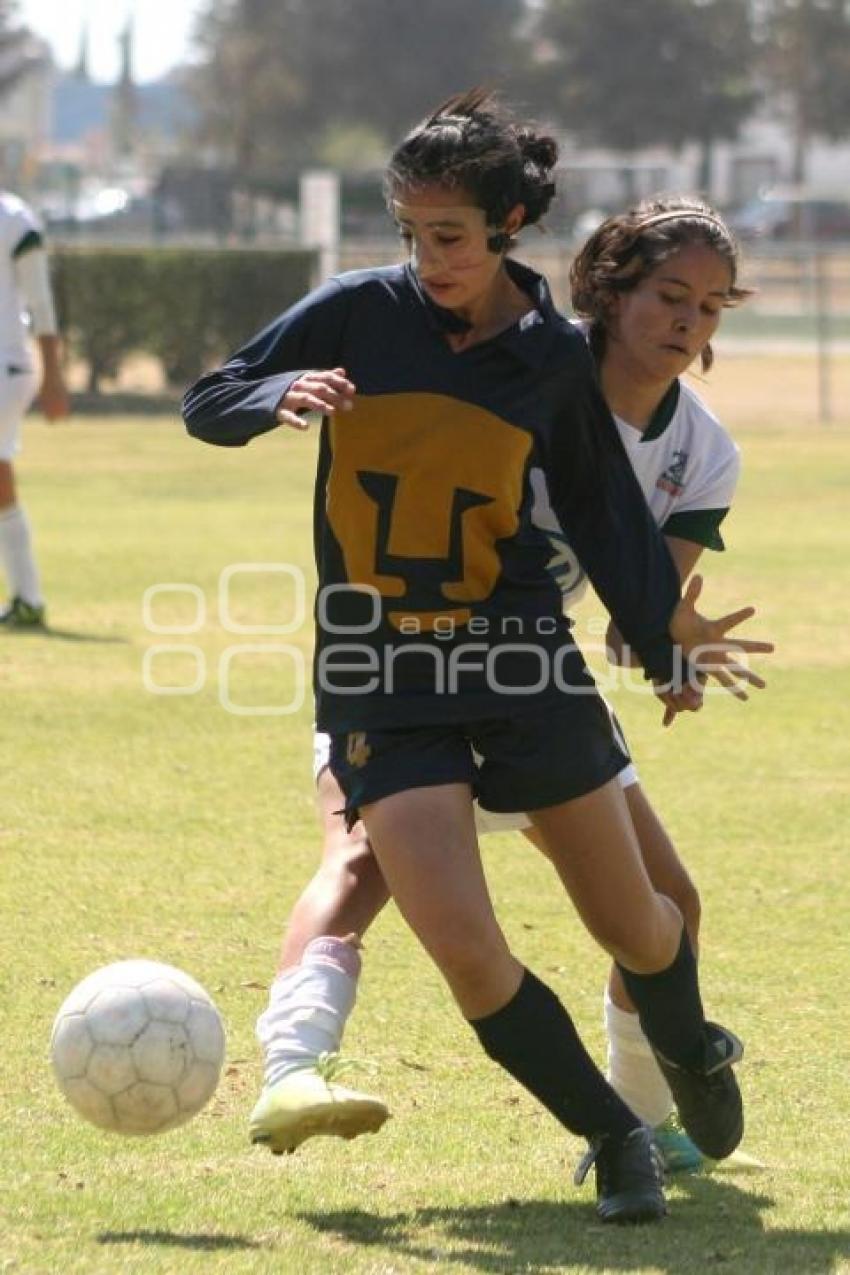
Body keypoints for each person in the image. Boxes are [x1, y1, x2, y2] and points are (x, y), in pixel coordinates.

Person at [184, 91, 770, 1225]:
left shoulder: (551, 356)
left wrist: (668, 638)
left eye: (447, 234)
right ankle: (613, 1133)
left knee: (645, 923)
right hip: (378, 670)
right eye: (406, 229)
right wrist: (274, 393)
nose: (423, 256)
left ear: (507, 223)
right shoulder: (356, 313)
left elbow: (604, 524)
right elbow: (208, 398)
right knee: (464, 949)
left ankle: (688, 1034)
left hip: (519, 663)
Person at [0, 190, 70, 627]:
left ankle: (29, 597)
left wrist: (54, 374)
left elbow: (41, 302)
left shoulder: (12, 216)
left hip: (6, 365)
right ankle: (29, 597)